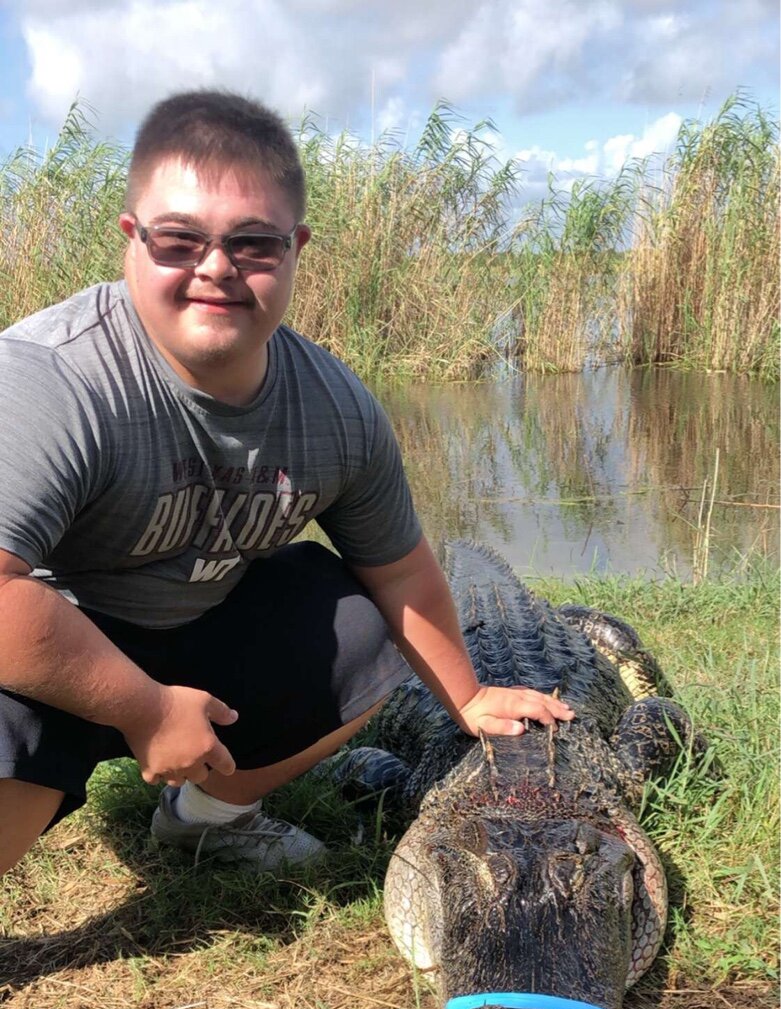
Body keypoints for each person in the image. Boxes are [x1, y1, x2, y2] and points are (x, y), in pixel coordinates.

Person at [0, 90, 573, 878]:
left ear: (297, 247)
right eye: (179, 240)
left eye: (253, 244)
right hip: (51, 643)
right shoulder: (51, 378)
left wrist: (467, 698)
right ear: (131, 239)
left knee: (357, 620)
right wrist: (146, 709)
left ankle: (206, 820)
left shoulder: (337, 409)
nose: (215, 268)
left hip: (194, 632)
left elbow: (400, 568)